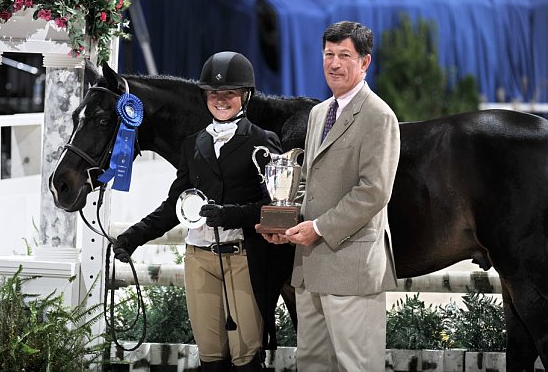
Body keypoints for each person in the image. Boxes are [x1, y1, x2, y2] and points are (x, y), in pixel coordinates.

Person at [112, 51, 295, 371]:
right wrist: (135, 236)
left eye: (229, 94)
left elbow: (279, 211)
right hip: (199, 258)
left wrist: (232, 215)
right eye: (214, 94)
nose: (221, 100)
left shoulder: (262, 141)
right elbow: (176, 204)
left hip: (242, 257)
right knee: (210, 357)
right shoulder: (192, 144)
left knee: (246, 357)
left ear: (245, 96)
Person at [259, 21, 401, 371]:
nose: (334, 63)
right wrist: (288, 221)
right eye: (328, 54)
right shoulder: (319, 113)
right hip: (310, 265)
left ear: (365, 62)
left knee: (357, 366)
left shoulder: (379, 116)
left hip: (350, 266)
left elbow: (374, 191)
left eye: (344, 56)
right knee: (311, 364)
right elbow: (308, 181)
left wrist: (318, 228)